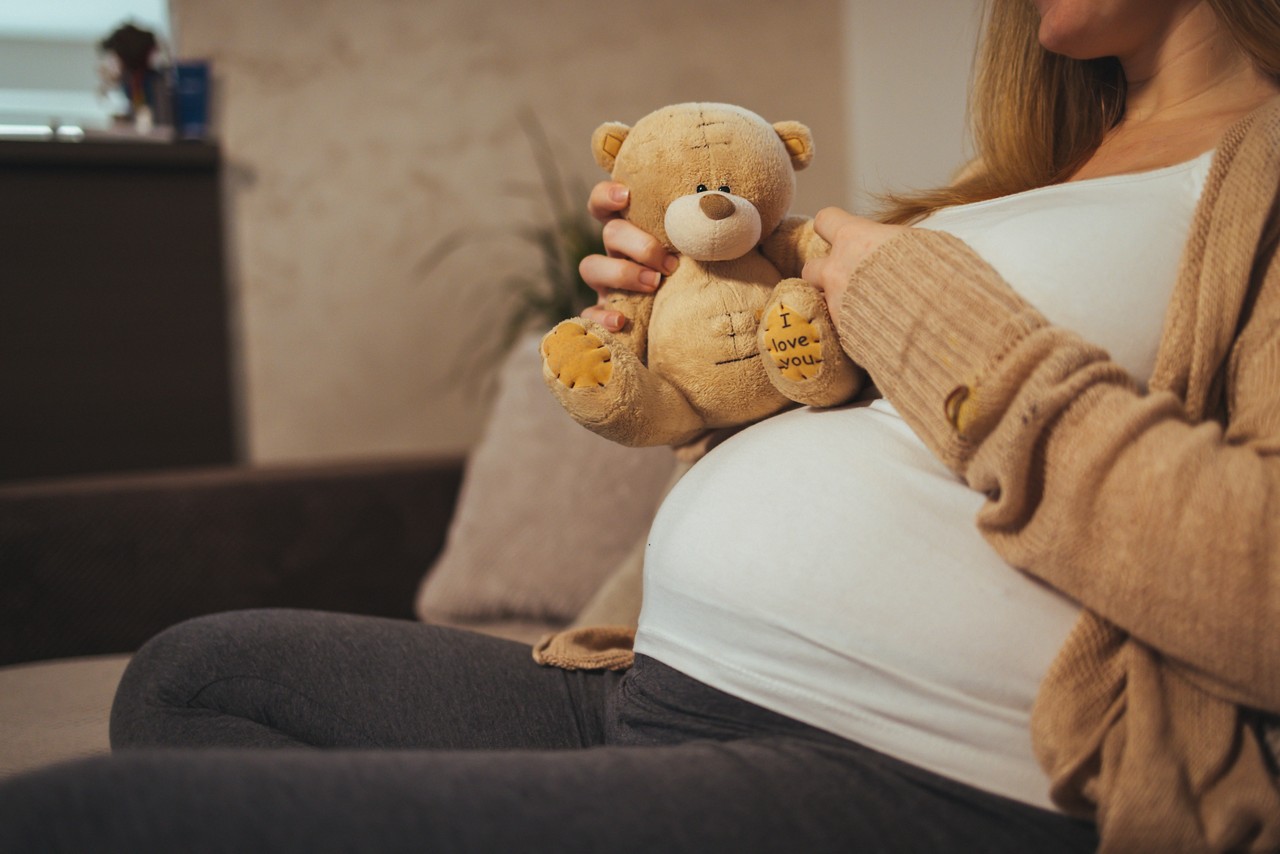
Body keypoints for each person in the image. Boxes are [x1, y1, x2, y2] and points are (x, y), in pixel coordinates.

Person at [2, 0, 1278, 851]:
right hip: (664, 690)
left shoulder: (1261, 168)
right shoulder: (1032, 175)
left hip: (910, 760)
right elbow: (893, 451)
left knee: (99, 820)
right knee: (200, 675)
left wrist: (915, 305)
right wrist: (706, 372)